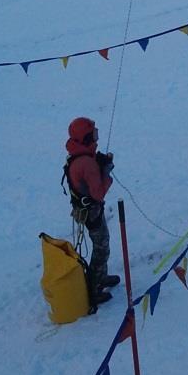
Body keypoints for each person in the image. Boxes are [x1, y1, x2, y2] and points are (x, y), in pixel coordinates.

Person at [63, 117, 120, 304]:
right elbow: (98, 194)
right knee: (101, 248)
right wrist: (106, 173)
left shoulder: (80, 154)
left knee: (101, 244)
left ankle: (100, 277)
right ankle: (95, 289)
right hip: (92, 212)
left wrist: (99, 162)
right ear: (85, 138)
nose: (96, 139)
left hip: (85, 210)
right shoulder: (86, 164)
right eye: (93, 135)